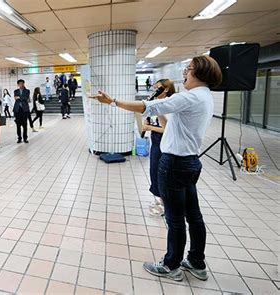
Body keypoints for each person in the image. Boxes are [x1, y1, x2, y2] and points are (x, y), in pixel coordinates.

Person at [91, 55, 222, 282]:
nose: (185, 73)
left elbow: (146, 106)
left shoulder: (189, 98)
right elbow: (165, 119)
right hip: (191, 162)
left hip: (174, 164)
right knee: (194, 216)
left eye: (189, 69)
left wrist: (112, 101)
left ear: (200, 73)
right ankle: (196, 262)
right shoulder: (205, 97)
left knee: (174, 218)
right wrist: (158, 105)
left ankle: (171, 265)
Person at [142, 79, 175, 216]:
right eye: (154, 88)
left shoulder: (170, 104)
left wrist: (149, 127)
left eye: (157, 88)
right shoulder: (157, 104)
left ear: (166, 89)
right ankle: (159, 200)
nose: (154, 91)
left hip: (165, 143)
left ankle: (165, 205)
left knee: (162, 174)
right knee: (154, 171)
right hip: (155, 142)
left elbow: (168, 129)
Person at [13, 79, 30, 143]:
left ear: (24, 84)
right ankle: (19, 138)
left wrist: (19, 97)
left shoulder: (27, 91)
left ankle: (25, 138)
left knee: (25, 124)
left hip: (24, 110)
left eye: (22, 83)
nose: (21, 85)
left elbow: (26, 98)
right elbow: (15, 99)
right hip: (17, 110)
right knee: (18, 125)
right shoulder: (16, 91)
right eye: (19, 84)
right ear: (18, 85)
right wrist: (21, 98)